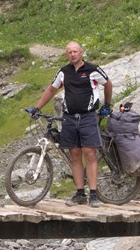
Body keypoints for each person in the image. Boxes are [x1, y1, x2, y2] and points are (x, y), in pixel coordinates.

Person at [29, 41, 112, 208]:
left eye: (75, 51)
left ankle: (93, 194)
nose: (72, 54)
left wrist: (107, 105)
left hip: (88, 117)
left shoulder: (92, 70)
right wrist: (37, 107)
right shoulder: (63, 72)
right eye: (69, 52)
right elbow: (51, 90)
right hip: (70, 118)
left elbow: (108, 84)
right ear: (66, 55)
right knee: (74, 155)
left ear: (81, 53)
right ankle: (80, 193)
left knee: (89, 153)